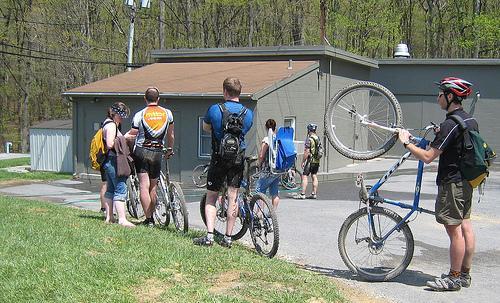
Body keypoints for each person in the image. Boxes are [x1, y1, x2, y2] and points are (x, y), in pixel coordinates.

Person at [397, 77, 476, 291]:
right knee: (465, 227)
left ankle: (453, 278)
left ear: (450, 97)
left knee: (454, 231)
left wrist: (406, 142)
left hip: (453, 183)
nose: (438, 97)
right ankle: (464, 275)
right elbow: (456, 145)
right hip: (466, 182)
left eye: (441, 94)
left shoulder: (451, 123)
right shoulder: (469, 120)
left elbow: (427, 156)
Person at [193, 77, 253, 247]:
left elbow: (205, 127)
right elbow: (245, 130)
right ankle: (228, 238)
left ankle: (210, 236)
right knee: (233, 197)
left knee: (212, 196)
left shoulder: (215, 109)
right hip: (237, 159)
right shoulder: (248, 113)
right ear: (239, 92)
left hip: (219, 158)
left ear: (225, 91)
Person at [126, 87, 174, 227]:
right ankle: (152, 215)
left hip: (142, 150)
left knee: (143, 186)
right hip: (158, 151)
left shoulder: (140, 114)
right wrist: (169, 149)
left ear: (145, 99)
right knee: (153, 187)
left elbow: (133, 134)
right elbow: (171, 134)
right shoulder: (167, 113)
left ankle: (149, 219)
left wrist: (122, 138)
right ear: (158, 99)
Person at [101, 102, 135, 227]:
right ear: (113, 114)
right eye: (120, 116)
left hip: (108, 161)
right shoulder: (111, 126)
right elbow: (110, 144)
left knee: (110, 189)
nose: (121, 119)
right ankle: (122, 219)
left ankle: (109, 217)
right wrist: (123, 139)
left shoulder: (106, 123)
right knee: (121, 188)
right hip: (114, 161)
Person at [256, 119, 280, 209]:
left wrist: (259, 164)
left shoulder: (267, 139)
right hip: (277, 170)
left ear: (266, 127)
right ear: (275, 127)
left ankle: (259, 213)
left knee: (260, 191)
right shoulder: (278, 139)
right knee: (275, 192)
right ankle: (273, 212)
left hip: (267, 169)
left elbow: (262, 154)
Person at [297, 123, 321, 199]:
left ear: (309, 130)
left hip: (310, 161)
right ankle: (314, 194)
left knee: (304, 176)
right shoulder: (318, 138)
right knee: (314, 176)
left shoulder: (309, 139)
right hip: (316, 161)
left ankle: (303, 194)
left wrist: (303, 161)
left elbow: (307, 151)